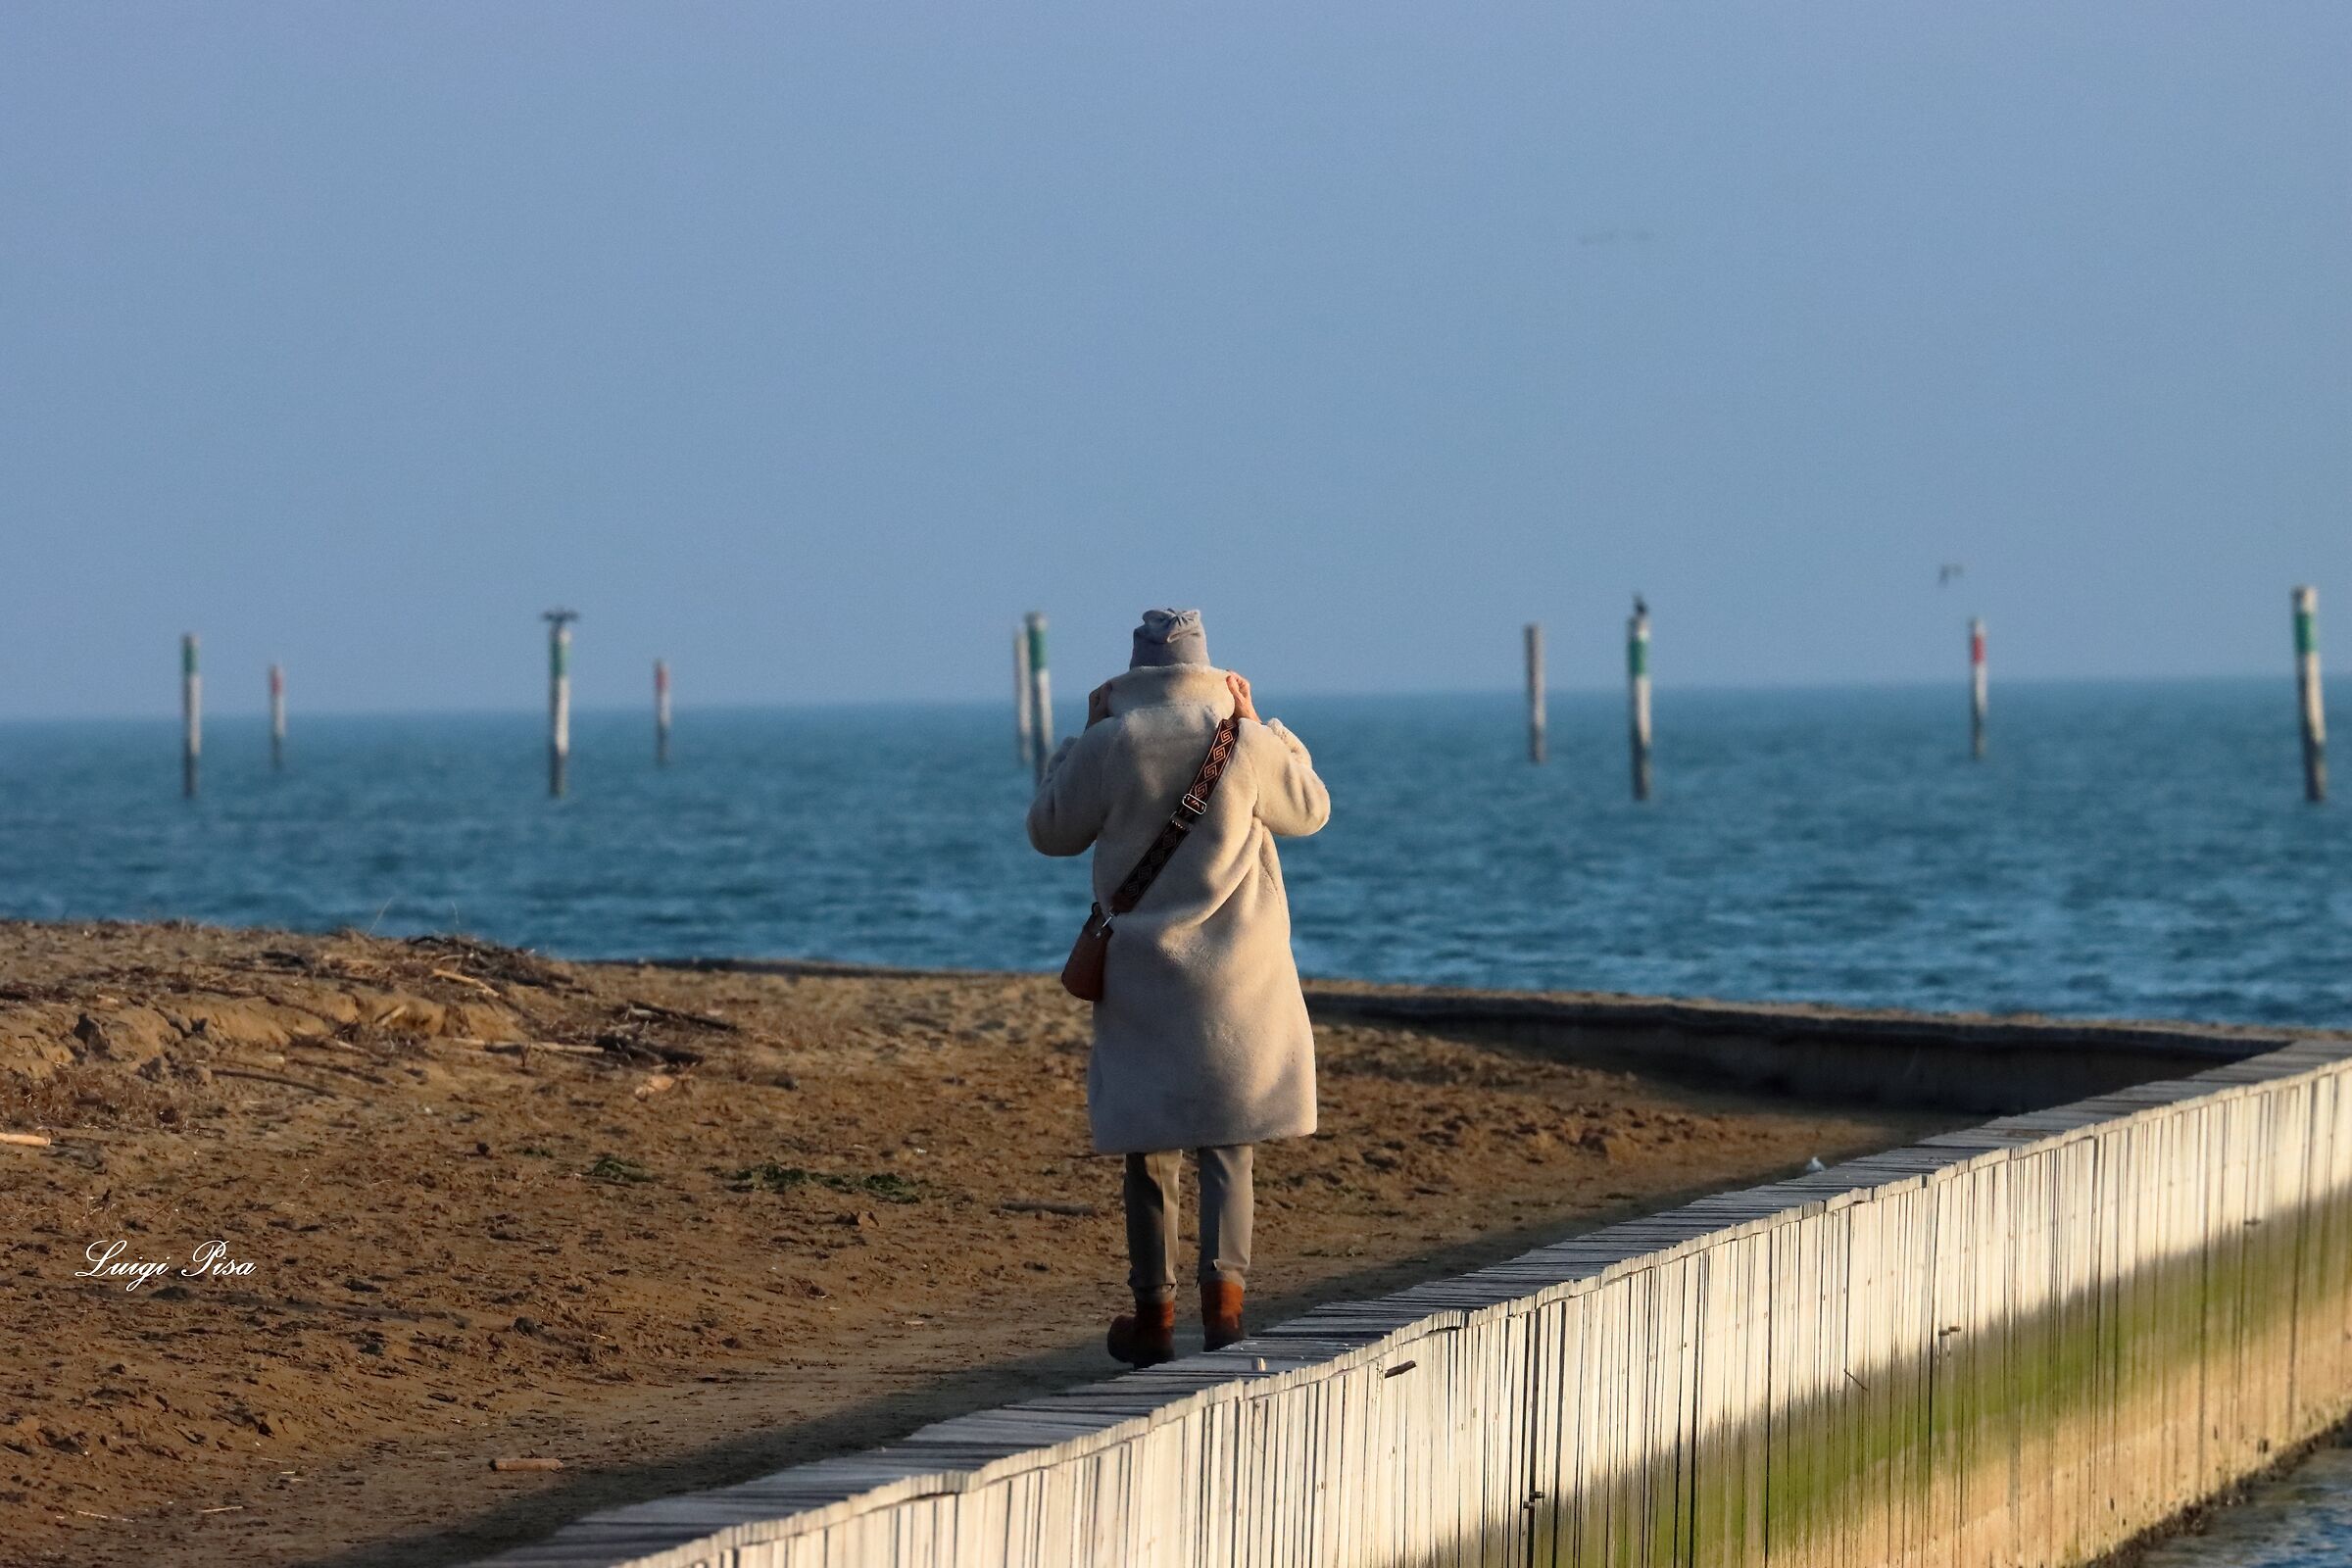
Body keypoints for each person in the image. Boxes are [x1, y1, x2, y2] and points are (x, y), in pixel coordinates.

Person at [1026, 608, 1331, 1366]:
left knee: (1151, 1148)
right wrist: (1267, 726)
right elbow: (1312, 810)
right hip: (1240, 974)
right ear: (1209, 672)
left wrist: (1080, 737)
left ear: (1133, 678)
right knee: (1229, 1139)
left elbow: (1050, 830)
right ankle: (1225, 1308)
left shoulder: (1111, 742)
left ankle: (1154, 1318)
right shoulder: (1246, 743)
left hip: (1142, 971)